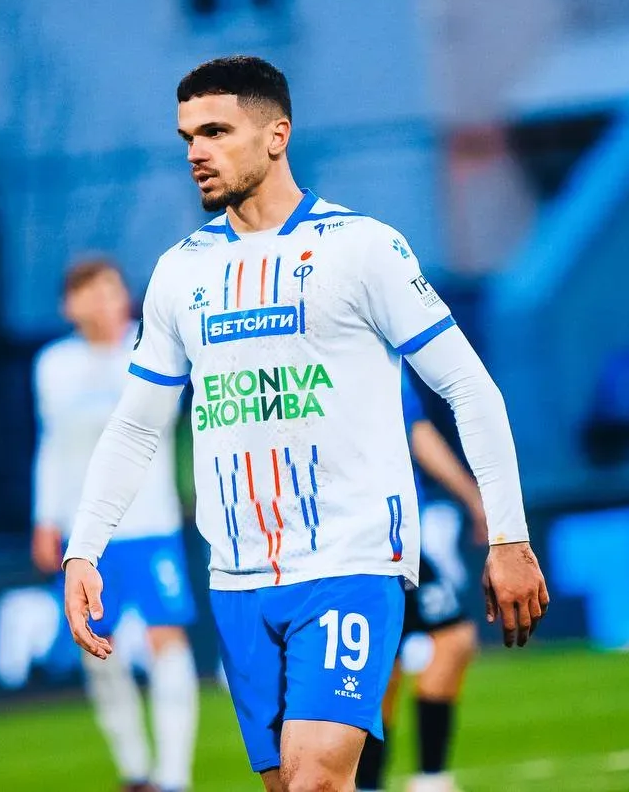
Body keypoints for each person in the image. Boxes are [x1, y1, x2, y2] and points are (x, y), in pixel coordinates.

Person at [60, 56, 549, 792]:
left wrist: (509, 534)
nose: (196, 152)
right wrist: (84, 548)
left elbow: (470, 388)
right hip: (237, 578)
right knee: (292, 784)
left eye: (216, 131)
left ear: (277, 134)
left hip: (350, 563)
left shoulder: (362, 247)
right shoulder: (180, 273)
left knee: (316, 776)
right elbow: (135, 428)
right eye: (188, 136)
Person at [31, 257, 199, 792]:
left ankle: (173, 778)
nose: (104, 303)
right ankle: (135, 770)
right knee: (99, 652)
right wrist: (45, 518)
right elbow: (51, 446)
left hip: (151, 523)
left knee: (166, 639)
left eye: (110, 290)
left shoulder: (153, 345)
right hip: (89, 535)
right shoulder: (54, 365)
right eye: (90, 293)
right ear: (69, 306)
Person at [355, 371, 490, 792]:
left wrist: (471, 497)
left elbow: (413, 428)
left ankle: (416, 779)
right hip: (372, 533)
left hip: (394, 535)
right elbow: (415, 430)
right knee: (394, 660)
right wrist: (473, 497)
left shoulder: (378, 355)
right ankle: (417, 780)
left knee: (399, 657)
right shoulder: (361, 354)